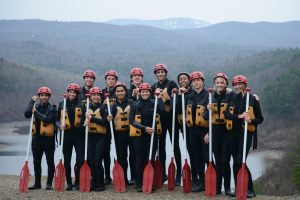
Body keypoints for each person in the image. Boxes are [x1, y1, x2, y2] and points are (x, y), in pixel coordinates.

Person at [225, 75, 264, 198]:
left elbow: (260, 119)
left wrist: (250, 120)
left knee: (240, 161)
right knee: (236, 163)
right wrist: (239, 116)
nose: (237, 86)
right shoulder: (232, 97)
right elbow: (226, 114)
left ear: (245, 85)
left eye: (240, 84)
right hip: (233, 134)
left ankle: (250, 189)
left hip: (246, 133)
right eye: (235, 84)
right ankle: (238, 189)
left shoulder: (252, 99)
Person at [129, 83, 163, 192]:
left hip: (152, 136)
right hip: (139, 136)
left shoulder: (155, 103)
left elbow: (163, 111)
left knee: (150, 158)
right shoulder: (135, 104)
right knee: (139, 159)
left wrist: (161, 98)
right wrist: (144, 128)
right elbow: (131, 120)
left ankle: (150, 182)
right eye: (143, 91)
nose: (145, 93)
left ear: (150, 92)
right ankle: (139, 183)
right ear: (139, 92)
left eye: (147, 91)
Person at [151, 64, 181, 184]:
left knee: (175, 146)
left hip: (171, 119)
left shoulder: (172, 84)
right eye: (158, 72)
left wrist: (166, 98)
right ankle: (163, 173)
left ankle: (178, 173)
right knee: (161, 146)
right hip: (160, 120)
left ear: (165, 73)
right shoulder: (154, 87)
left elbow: (177, 102)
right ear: (156, 74)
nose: (160, 74)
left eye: (162, 72)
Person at [179, 71, 209, 192]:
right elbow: (178, 109)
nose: (196, 82)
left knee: (206, 157)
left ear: (202, 81)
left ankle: (210, 181)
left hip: (205, 131)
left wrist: (209, 132)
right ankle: (200, 181)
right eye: (194, 81)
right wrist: (179, 96)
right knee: (196, 157)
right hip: (192, 131)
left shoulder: (208, 95)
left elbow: (210, 116)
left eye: (198, 80)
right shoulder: (189, 96)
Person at [204, 73, 232, 195]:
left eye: (222, 82)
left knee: (225, 160)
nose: (219, 84)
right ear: (215, 84)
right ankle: (217, 187)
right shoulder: (210, 96)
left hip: (227, 132)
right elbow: (205, 117)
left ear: (226, 84)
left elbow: (244, 99)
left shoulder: (231, 96)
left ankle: (227, 187)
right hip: (215, 132)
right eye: (217, 82)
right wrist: (208, 109)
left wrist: (255, 97)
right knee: (217, 160)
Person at [24, 87, 56, 190]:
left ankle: (49, 184)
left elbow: (47, 120)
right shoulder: (35, 105)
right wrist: (31, 101)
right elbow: (27, 114)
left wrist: (36, 112)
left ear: (49, 97)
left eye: (46, 95)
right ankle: (37, 183)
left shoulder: (52, 108)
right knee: (36, 161)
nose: (44, 97)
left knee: (49, 161)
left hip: (48, 140)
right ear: (39, 96)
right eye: (42, 95)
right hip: (36, 139)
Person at [56, 83, 85, 191]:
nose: (72, 94)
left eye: (74, 92)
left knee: (80, 160)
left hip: (79, 135)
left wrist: (85, 122)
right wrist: (60, 126)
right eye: (70, 92)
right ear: (67, 93)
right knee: (67, 160)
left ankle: (77, 181)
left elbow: (84, 119)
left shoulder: (81, 104)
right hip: (66, 134)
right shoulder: (62, 103)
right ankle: (68, 183)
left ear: (77, 94)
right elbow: (56, 120)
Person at [107, 82, 132, 185]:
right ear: (115, 93)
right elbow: (106, 118)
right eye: (118, 91)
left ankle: (133, 178)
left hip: (131, 134)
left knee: (133, 156)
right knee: (121, 157)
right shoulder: (112, 106)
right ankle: (123, 179)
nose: (120, 93)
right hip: (119, 135)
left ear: (125, 92)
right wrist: (107, 118)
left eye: (122, 91)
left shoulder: (131, 103)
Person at [176, 72, 198, 186]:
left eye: (185, 79)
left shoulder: (194, 92)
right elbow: (178, 110)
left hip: (195, 127)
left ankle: (200, 178)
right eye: (180, 79)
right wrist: (180, 95)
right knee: (191, 152)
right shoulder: (179, 93)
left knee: (197, 153)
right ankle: (194, 178)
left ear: (189, 80)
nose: (182, 81)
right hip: (185, 128)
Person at [85, 86, 107, 191]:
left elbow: (105, 122)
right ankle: (94, 183)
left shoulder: (103, 108)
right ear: (91, 96)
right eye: (94, 95)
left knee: (98, 161)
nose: (95, 97)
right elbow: (82, 122)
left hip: (100, 137)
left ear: (100, 96)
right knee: (92, 161)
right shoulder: (87, 107)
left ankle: (101, 184)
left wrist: (92, 118)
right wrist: (84, 123)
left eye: (98, 95)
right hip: (90, 137)